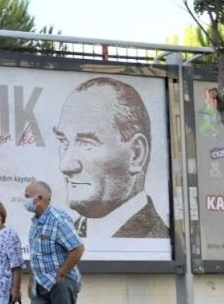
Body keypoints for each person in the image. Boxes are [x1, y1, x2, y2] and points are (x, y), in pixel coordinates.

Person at [53, 77, 169, 238]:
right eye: (64, 141)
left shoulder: (157, 239)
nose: (65, 166)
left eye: (87, 143)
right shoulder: (66, 235)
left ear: (136, 154)